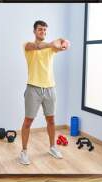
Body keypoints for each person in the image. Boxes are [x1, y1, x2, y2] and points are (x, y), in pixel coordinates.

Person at [19, 20, 69, 165]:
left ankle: (52, 147)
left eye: (45, 30)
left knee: (51, 120)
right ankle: (24, 152)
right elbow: (37, 46)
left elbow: (64, 43)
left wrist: (64, 43)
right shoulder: (27, 46)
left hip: (50, 88)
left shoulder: (51, 49)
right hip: (33, 88)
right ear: (34, 31)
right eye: (40, 29)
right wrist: (52, 44)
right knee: (28, 121)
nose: (43, 32)